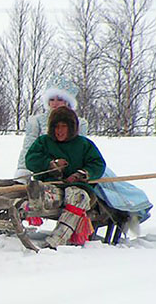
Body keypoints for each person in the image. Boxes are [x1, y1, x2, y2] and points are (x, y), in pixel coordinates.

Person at [15, 74, 153, 226]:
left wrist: (81, 172)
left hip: (76, 168)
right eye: (52, 99)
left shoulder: (79, 122)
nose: (55, 103)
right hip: (48, 170)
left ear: (67, 101)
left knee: (106, 187)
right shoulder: (36, 121)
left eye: (59, 99)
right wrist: (23, 173)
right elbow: (28, 149)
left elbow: (80, 149)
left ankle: (121, 211)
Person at [25, 106, 106, 249]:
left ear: (72, 128)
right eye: (56, 126)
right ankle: (34, 203)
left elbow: (98, 164)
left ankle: (57, 239)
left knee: (76, 196)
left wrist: (82, 174)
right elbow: (30, 159)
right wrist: (51, 165)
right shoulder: (44, 141)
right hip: (53, 185)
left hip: (79, 188)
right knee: (43, 192)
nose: (59, 131)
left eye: (64, 126)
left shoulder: (83, 144)